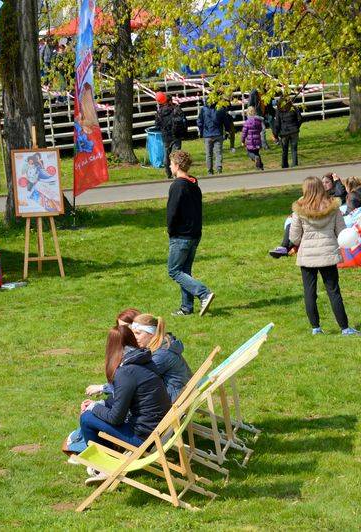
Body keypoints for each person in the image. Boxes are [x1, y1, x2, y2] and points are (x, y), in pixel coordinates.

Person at [79, 326, 171, 483]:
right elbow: (126, 397)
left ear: (111, 347)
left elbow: (116, 418)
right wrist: (101, 403)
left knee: (87, 418)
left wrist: (93, 407)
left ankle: (103, 466)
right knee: (95, 412)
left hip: (144, 438)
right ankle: (111, 456)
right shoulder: (144, 360)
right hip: (160, 428)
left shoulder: (125, 372)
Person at [288, 176, 358, 335]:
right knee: (333, 291)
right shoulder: (333, 206)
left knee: (309, 292)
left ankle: (316, 328)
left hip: (307, 255)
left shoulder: (299, 209)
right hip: (328, 254)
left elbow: (294, 237)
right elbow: (341, 232)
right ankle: (345, 328)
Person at [166, 150, 215, 316]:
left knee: (174, 270)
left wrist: (171, 230)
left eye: (171, 164)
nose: (169, 166)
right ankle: (186, 307)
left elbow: (172, 212)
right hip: (194, 234)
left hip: (181, 236)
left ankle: (204, 293)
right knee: (185, 271)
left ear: (177, 165)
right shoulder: (193, 184)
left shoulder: (177, 185)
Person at [154, 93, 187, 179]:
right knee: (176, 156)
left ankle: (168, 173)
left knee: (166, 155)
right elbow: (183, 120)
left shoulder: (160, 111)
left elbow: (157, 125)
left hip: (166, 137)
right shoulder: (176, 109)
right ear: (171, 100)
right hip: (176, 135)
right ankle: (176, 173)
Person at [197, 98, 230, 175]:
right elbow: (226, 121)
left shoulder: (203, 109)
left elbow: (199, 122)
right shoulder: (220, 109)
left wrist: (201, 132)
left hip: (207, 134)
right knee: (218, 153)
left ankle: (210, 171)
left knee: (208, 154)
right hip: (218, 134)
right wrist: (227, 131)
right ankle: (218, 168)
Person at [273, 98, 302, 169]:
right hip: (294, 131)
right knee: (294, 149)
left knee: (284, 150)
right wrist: (296, 127)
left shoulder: (279, 110)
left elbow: (277, 124)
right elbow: (300, 119)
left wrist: (275, 135)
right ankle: (294, 164)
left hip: (284, 133)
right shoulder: (294, 108)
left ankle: (285, 165)